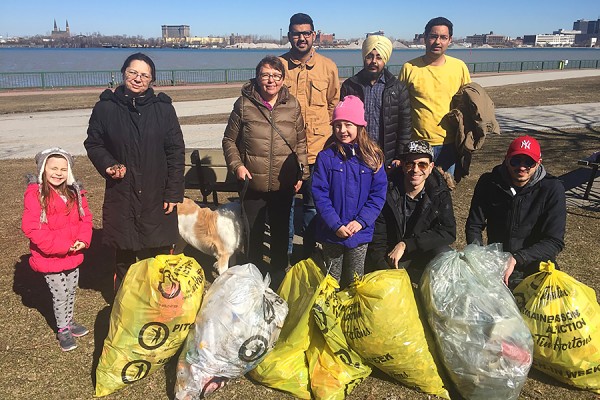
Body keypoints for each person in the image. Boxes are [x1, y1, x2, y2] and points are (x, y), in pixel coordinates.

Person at [84, 52, 185, 292]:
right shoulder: (105, 108)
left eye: (144, 75)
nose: (138, 79)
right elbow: (94, 143)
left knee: (160, 258)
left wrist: (173, 193)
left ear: (152, 80)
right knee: (125, 256)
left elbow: (175, 152)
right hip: (123, 194)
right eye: (133, 73)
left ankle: (161, 309)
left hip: (156, 195)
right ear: (123, 74)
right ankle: (126, 306)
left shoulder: (163, 109)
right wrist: (108, 164)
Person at [222, 55, 308, 290]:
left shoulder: (292, 105)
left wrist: (302, 174)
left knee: (281, 233)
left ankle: (280, 274)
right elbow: (229, 140)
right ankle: (253, 277)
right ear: (258, 77)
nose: (270, 81)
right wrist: (237, 166)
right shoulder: (243, 104)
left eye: (276, 76)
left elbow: (301, 142)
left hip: (284, 184)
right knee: (254, 236)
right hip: (253, 184)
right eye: (265, 75)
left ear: (283, 79)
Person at [466, 135, 566, 289]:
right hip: (496, 259)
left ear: (539, 163)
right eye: (515, 161)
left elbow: (554, 241)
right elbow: (474, 225)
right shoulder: (489, 182)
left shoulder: (552, 188)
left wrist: (517, 258)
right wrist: (479, 257)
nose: (522, 167)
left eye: (529, 162)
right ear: (506, 160)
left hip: (535, 261)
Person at [280, 13, 340, 260]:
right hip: (284, 152)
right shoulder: (278, 66)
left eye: (306, 33)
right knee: (284, 206)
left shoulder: (328, 67)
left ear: (314, 35)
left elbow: (333, 105)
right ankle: (285, 255)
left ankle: (309, 254)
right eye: (296, 33)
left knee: (313, 205)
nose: (301, 38)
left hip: (318, 150)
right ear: (289, 36)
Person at [21, 148, 93, 351]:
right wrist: (62, 246)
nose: (58, 173)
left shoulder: (74, 192)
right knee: (60, 293)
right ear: (44, 169)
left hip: (73, 253)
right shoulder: (36, 195)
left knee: (70, 290)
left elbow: (85, 219)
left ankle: (69, 321)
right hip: (50, 257)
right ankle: (63, 329)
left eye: (63, 169)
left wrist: (82, 240)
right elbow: (32, 228)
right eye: (53, 168)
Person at [312, 96, 386, 288]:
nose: (342, 130)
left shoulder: (372, 157)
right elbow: (320, 194)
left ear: (359, 126)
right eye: (337, 125)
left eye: (348, 124)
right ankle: (331, 314)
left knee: (355, 280)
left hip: (359, 232)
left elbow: (377, 194)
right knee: (331, 280)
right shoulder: (326, 157)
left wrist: (361, 222)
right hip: (332, 232)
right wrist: (335, 224)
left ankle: (352, 314)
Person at [366, 140, 456, 283]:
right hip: (392, 256)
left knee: (446, 256)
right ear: (402, 166)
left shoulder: (440, 193)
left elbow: (448, 232)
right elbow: (378, 238)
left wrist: (407, 244)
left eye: (422, 164)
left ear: (431, 167)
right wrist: (386, 270)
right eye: (410, 164)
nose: (415, 169)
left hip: (422, 252)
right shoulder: (386, 191)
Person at [399, 17, 471, 175]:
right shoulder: (409, 68)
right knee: (416, 192)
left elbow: (467, 104)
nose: (438, 41)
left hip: (449, 145)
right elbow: (399, 107)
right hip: (417, 144)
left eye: (443, 37)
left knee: (443, 193)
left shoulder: (459, 67)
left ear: (450, 40)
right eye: (433, 36)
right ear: (424, 38)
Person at [340, 35, 412, 168]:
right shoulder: (350, 86)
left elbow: (405, 127)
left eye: (379, 57)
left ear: (385, 59)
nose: (374, 61)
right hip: (356, 155)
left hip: (386, 157)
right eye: (369, 56)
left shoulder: (397, 88)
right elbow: (342, 123)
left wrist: (400, 156)